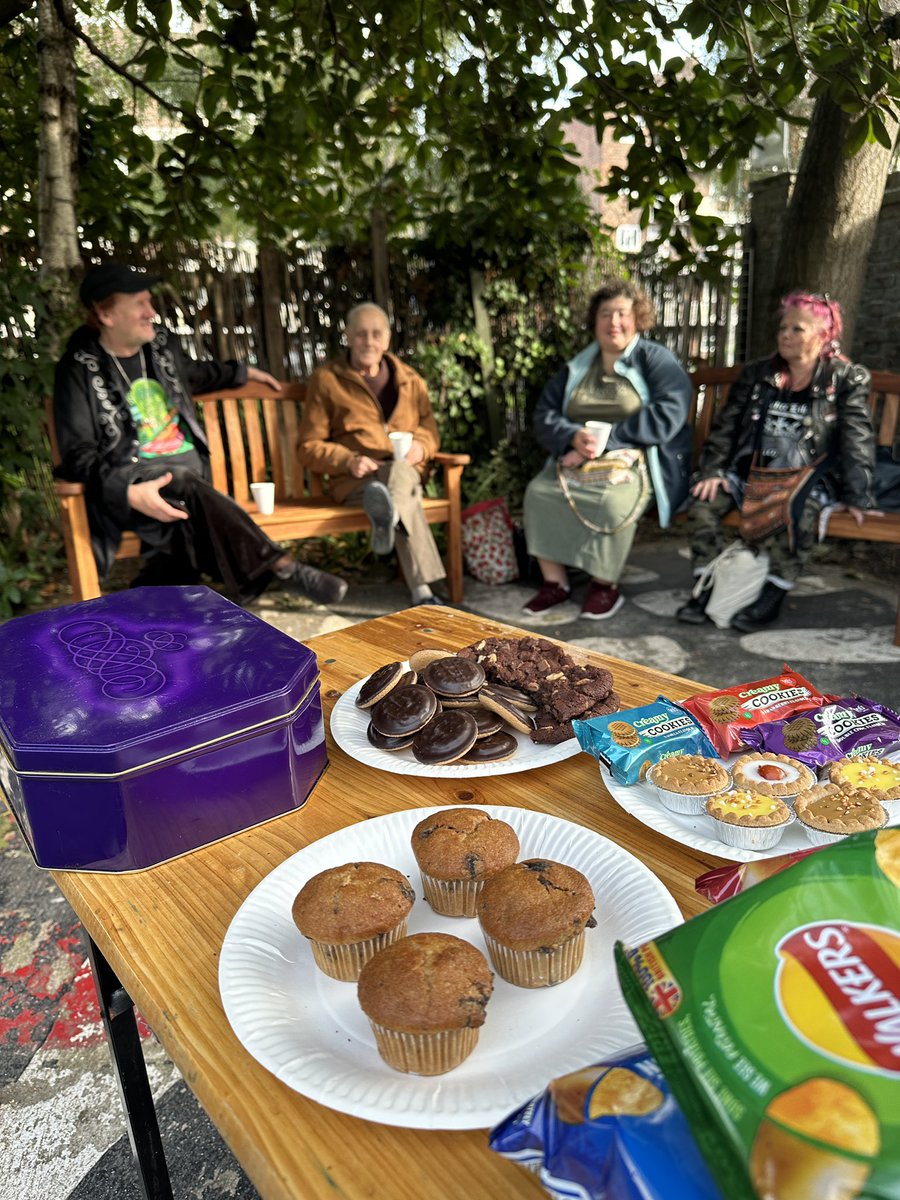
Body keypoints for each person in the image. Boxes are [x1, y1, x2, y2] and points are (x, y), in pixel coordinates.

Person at [54, 262, 348, 606]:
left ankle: (155, 599)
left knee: (179, 531)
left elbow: (195, 373)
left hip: (190, 488)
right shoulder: (78, 369)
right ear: (105, 314)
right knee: (181, 484)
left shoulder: (160, 347)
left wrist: (241, 371)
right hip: (133, 484)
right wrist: (129, 492)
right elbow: (78, 455)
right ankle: (280, 565)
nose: (152, 312)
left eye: (150, 302)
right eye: (139, 305)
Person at [676, 291, 876, 632]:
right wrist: (713, 470)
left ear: (824, 335)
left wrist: (859, 494)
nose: (785, 335)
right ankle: (707, 584)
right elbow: (728, 425)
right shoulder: (759, 372)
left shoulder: (846, 378)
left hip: (807, 477)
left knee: (799, 509)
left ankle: (774, 591)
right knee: (703, 502)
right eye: (783, 328)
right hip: (751, 475)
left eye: (797, 329)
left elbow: (857, 436)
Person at [522, 280, 693, 618]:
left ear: (637, 318)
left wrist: (609, 442)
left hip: (637, 457)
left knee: (613, 500)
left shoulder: (655, 359)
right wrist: (572, 437)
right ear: (594, 321)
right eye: (605, 314)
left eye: (622, 313)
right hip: (578, 454)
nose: (613, 322)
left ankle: (604, 585)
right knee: (539, 491)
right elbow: (544, 414)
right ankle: (555, 583)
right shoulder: (576, 367)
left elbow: (671, 410)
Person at [297, 302, 446, 606]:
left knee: (399, 477)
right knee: (401, 488)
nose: (369, 341)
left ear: (387, 339)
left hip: (402, 472)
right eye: (361, 334)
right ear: (348, 337)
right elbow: (308, 446)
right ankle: (424, 593)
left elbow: (430, 429)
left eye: (376, 334)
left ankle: (387, 517)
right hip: (358, 481)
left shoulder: (410, 380)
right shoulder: (327, 380)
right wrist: (348, 460)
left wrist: (421, 447)